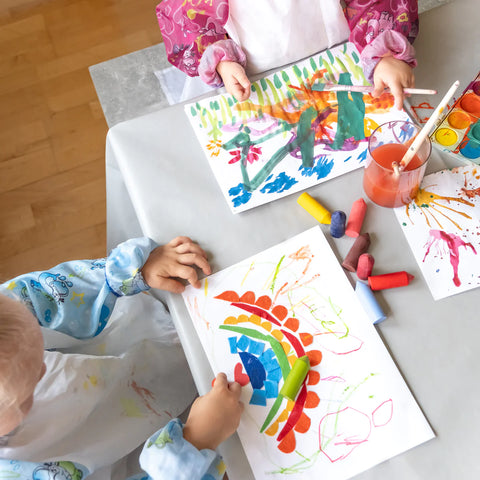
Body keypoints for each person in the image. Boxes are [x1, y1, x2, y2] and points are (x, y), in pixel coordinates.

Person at [0, 236, 244, 480]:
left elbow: (43, 295)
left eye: (38, 353)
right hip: (146, 447)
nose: (44, 369)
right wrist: (194, 446)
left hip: (141, 343)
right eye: (26, 397)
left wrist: (126, 273)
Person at [156, 0, 418, 109]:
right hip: (253, 75)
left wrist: (384, 53)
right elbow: (191, 20)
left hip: (346, 54)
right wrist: (222, 61)